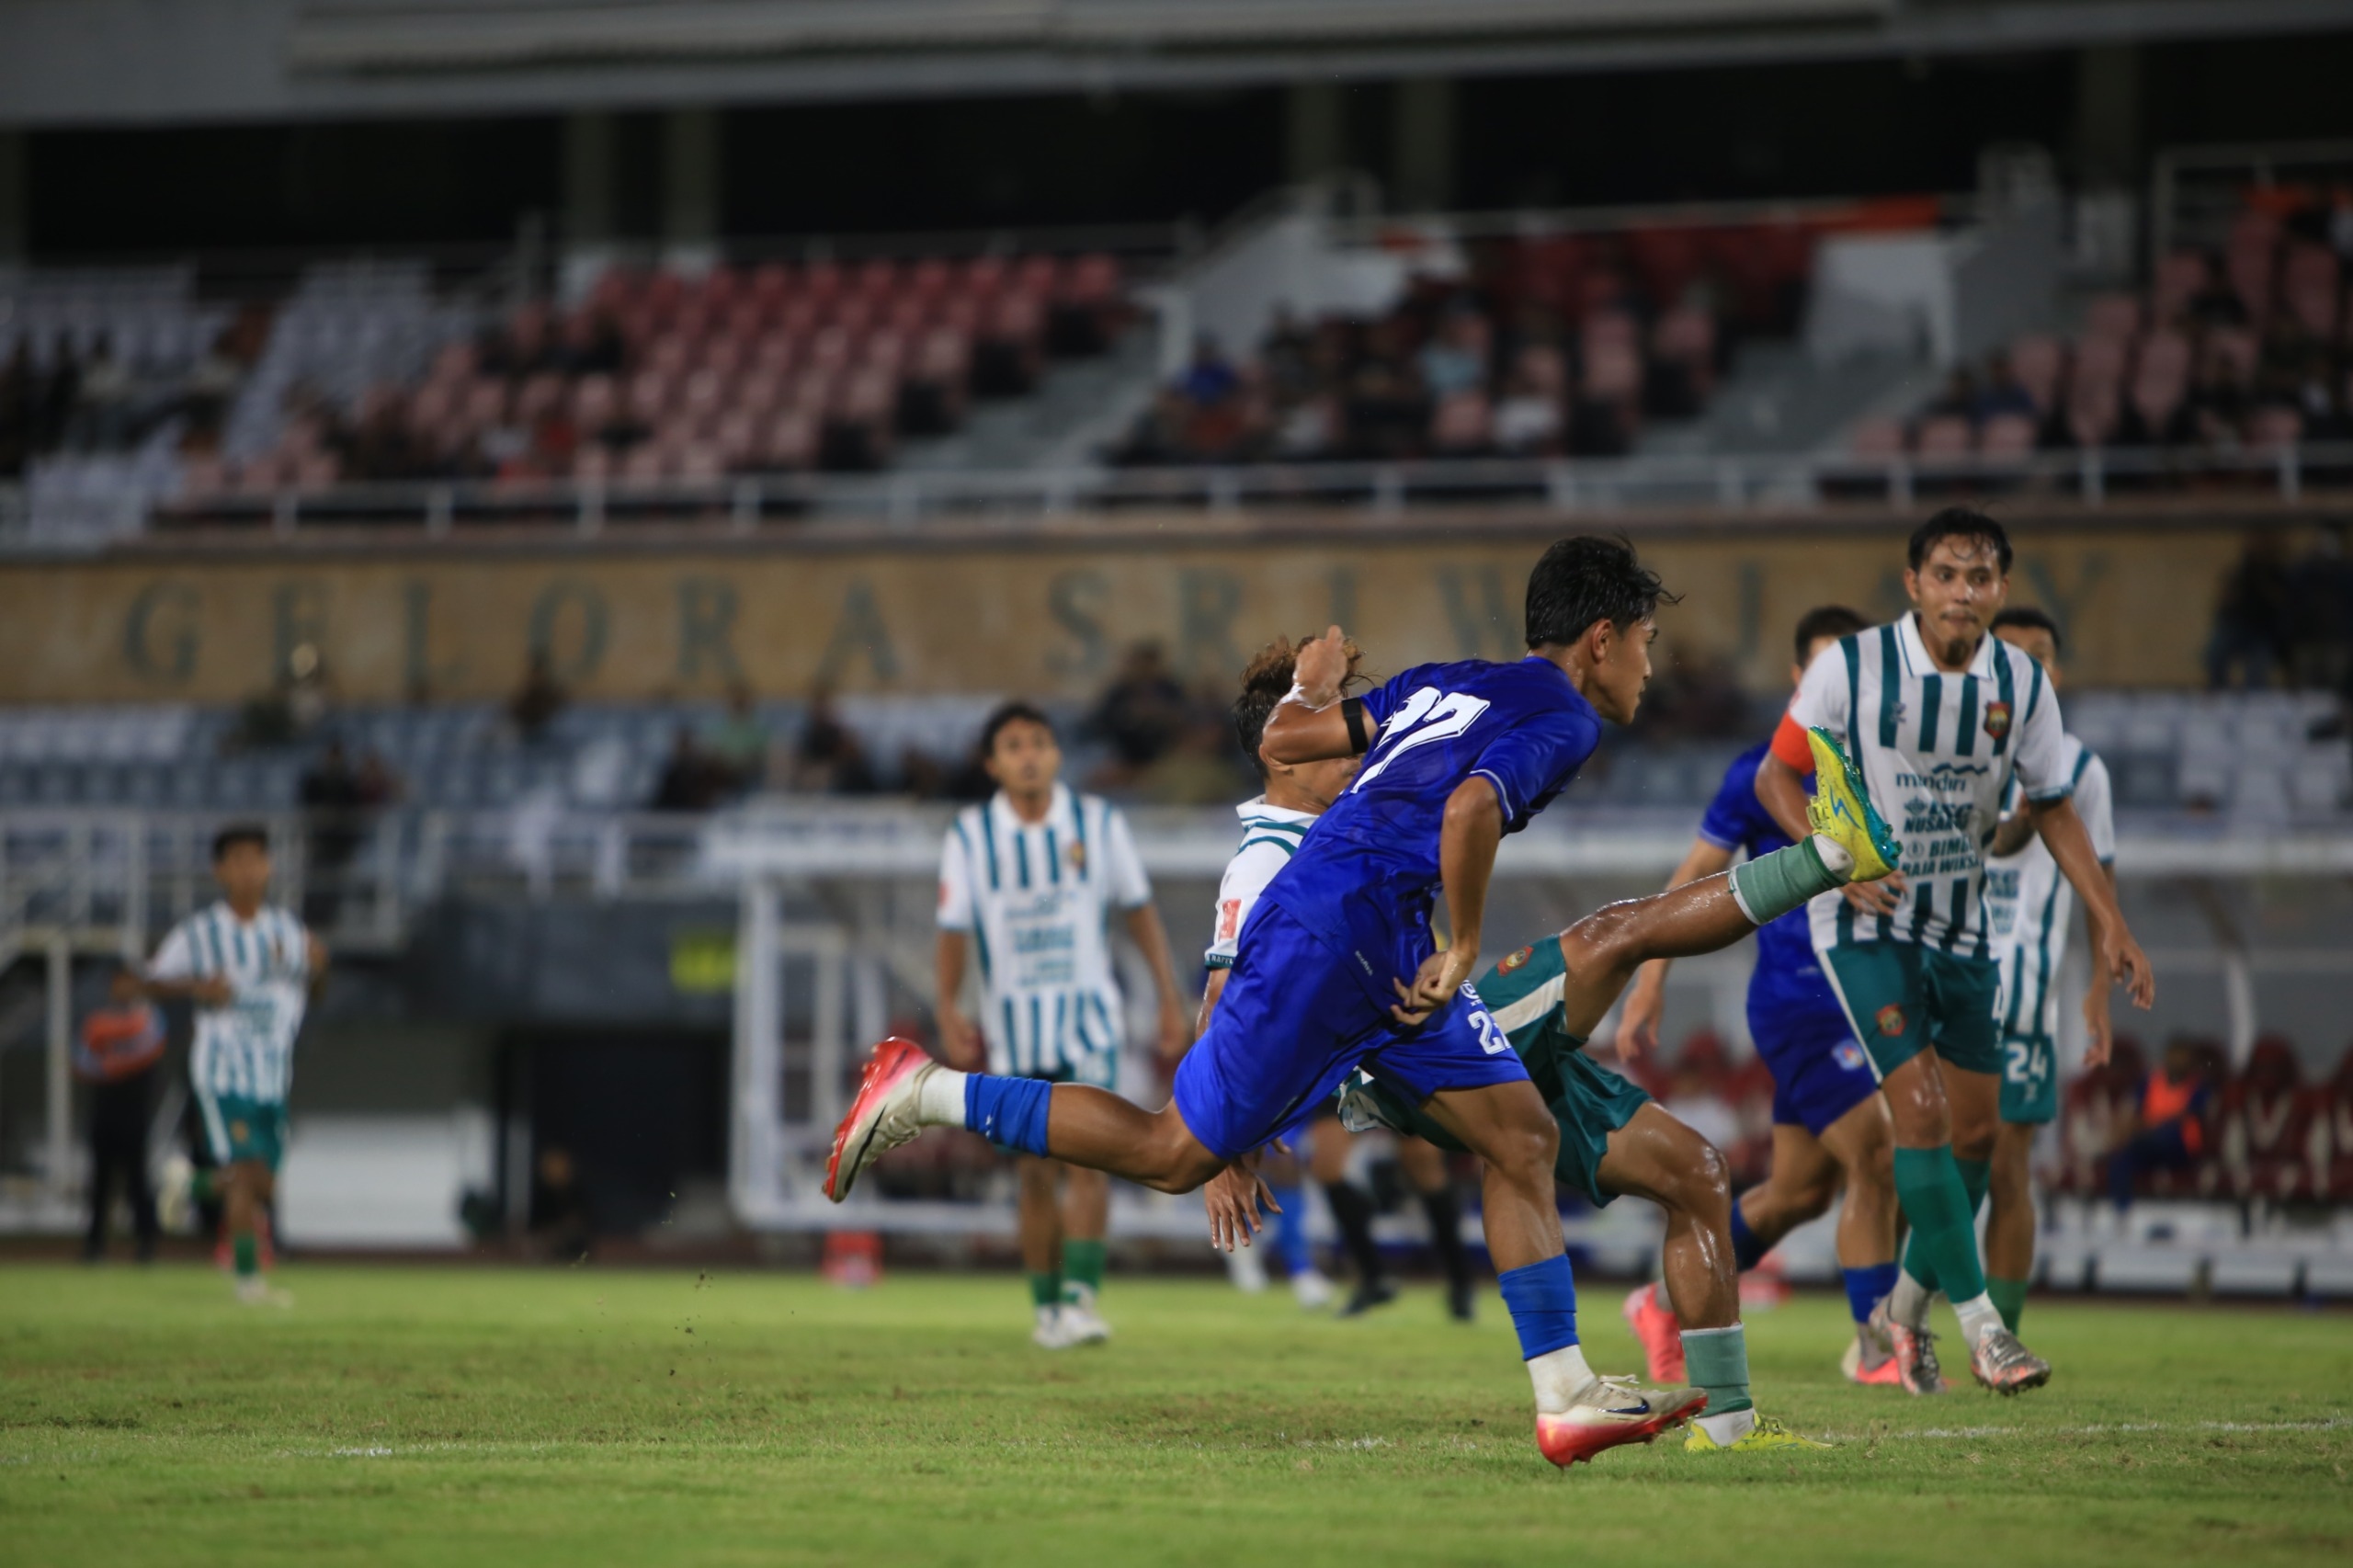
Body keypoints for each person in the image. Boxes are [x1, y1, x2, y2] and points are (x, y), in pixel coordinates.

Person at [830, 537, 1895, 1467]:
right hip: (1344, 925)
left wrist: (1306, 686)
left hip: (1378, 936)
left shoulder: (1446, 680)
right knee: (1172, 1150)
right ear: (1602, 638)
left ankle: (1565, 1393)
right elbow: (1474, 803)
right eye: (1649, 643)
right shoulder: (1563, 717)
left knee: (1521, 1132)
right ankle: (924, 1089)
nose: (1652, 666)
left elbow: (1285, 744)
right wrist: (1468, 938)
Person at [1754, 507, 2156, 1395]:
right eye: (1946, 575)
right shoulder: (1848, 670)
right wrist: (1834, 862)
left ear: (2000, 589)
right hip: (1866, 922)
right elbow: (1774, 775)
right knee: (1925, 1115)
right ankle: (1984, 1333)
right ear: (1914, 585)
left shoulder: (2021, 684)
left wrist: (2112, 920)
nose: (1962, 593)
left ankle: (1900, 1314)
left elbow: (2053, 806)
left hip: (1961, 928)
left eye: (1980, 578)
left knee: (1979, 1130)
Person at [1619, 605, 1904, 1386]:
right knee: (1882, 1154)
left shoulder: (1886, 770)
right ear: (1795, 679)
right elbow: (1691, 882)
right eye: (1821, 673)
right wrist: (1649, 983)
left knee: (1800, 1193)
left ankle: (1661, 1304)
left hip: (1875, 995)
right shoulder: (1759, 774)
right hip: (1800, 998)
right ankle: (1879, 1347)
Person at [1200, 634, 1472, 1320]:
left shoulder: (1346, 832)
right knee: (1519, 1144)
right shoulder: (1264, 861)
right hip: (1335, 1055)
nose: (1357, 752)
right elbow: (1219, 999)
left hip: (1386, 1038)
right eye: (1335, 738)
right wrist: (1217, 1144)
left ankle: (1469, 1293)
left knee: (1507, 1147)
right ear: (1281, 753)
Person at [932, 702, 1191, 1348]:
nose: (1029, 755)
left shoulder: (1098, 823)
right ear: (992, 763)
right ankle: (1046, 1308)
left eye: (1040, 742)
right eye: (1014, 745)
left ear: (1056, 755)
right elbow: (953, 931)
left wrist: (1168, 997)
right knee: (1032, 1172)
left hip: (1088, 1019)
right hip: (1014, 1024)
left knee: (1091, 1162)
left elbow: (1139, 911)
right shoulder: (969, 836)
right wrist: (948, 1007)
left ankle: (1080, 1301)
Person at [1979, 607, 2117, 1334]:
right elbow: (1993, 845)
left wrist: (2098, 988)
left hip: (2024, 1002)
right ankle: (1896, 1321)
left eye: (2043, 657)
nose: (2031, 669)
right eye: (2014, 656)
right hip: (1941, 984)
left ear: (2056, 675)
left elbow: (2102, 888)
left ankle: (1999, 1331)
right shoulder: (1943, 755)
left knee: (2006, 1168)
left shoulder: (2085, 771)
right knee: (1922, 1165)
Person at [142, 825, 326, 1305]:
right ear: (220, 870)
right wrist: (196, 987)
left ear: (268, 867)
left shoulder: (289, 931)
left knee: (263, 1181)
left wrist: (320, 970)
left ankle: (188, 1184)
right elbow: (135, 983)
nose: (248, 869)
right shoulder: (200, 933)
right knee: (245, 1172)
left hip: (272, 1072)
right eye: (237, 859)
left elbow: (314, 993)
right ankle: (249, 1281)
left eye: (256, 859)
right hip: (222, 1070)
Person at [75, 968, 167, 1262]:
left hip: (135, 1111)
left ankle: (146, 1243)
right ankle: (94, 1244)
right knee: (100, 1180)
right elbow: (82, 1060)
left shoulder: (149, 1019)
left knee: (137, 1179)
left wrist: (112, 1062)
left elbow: (149, 1049)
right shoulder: (98, 1019)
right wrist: (113, 1064)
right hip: (105, 1110)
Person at [2105, 1040, 2213, 1212]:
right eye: (2174, 1056)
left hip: (2181, 1145)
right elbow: (2136, 1112)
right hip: (2149, 1141)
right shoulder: (2150, 1082)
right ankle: (2121, 1212)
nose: (2177, 1061)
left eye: (2182, 1057)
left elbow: (2188, 1115)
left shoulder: (2199, 1086)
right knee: (2122, 1159)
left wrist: (2153, 1124)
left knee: (2164, 1136)